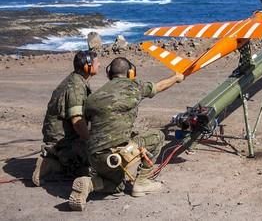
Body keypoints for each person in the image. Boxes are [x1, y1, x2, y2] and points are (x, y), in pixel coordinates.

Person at [68, 57, 185, 211]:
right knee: (157, 136)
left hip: (95, 156)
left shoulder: (93, 97)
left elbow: (82, 121)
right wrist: (176, 78)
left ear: (109, 73)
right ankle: (142, 183)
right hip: (119, 154)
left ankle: (90, 184)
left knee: (117, 186)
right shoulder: (134, 87)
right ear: (130, 73)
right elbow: (158, 87)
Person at [32, 50, 98, 186]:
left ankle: (56, 158)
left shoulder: (75, 80)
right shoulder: (76, 87)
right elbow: (77, 121)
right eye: (96, 62)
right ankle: (54, 162)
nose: (99, 65)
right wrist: (91, 143)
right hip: (63, 141)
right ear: (88, 66)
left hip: (61, 137)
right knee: (98, 161)